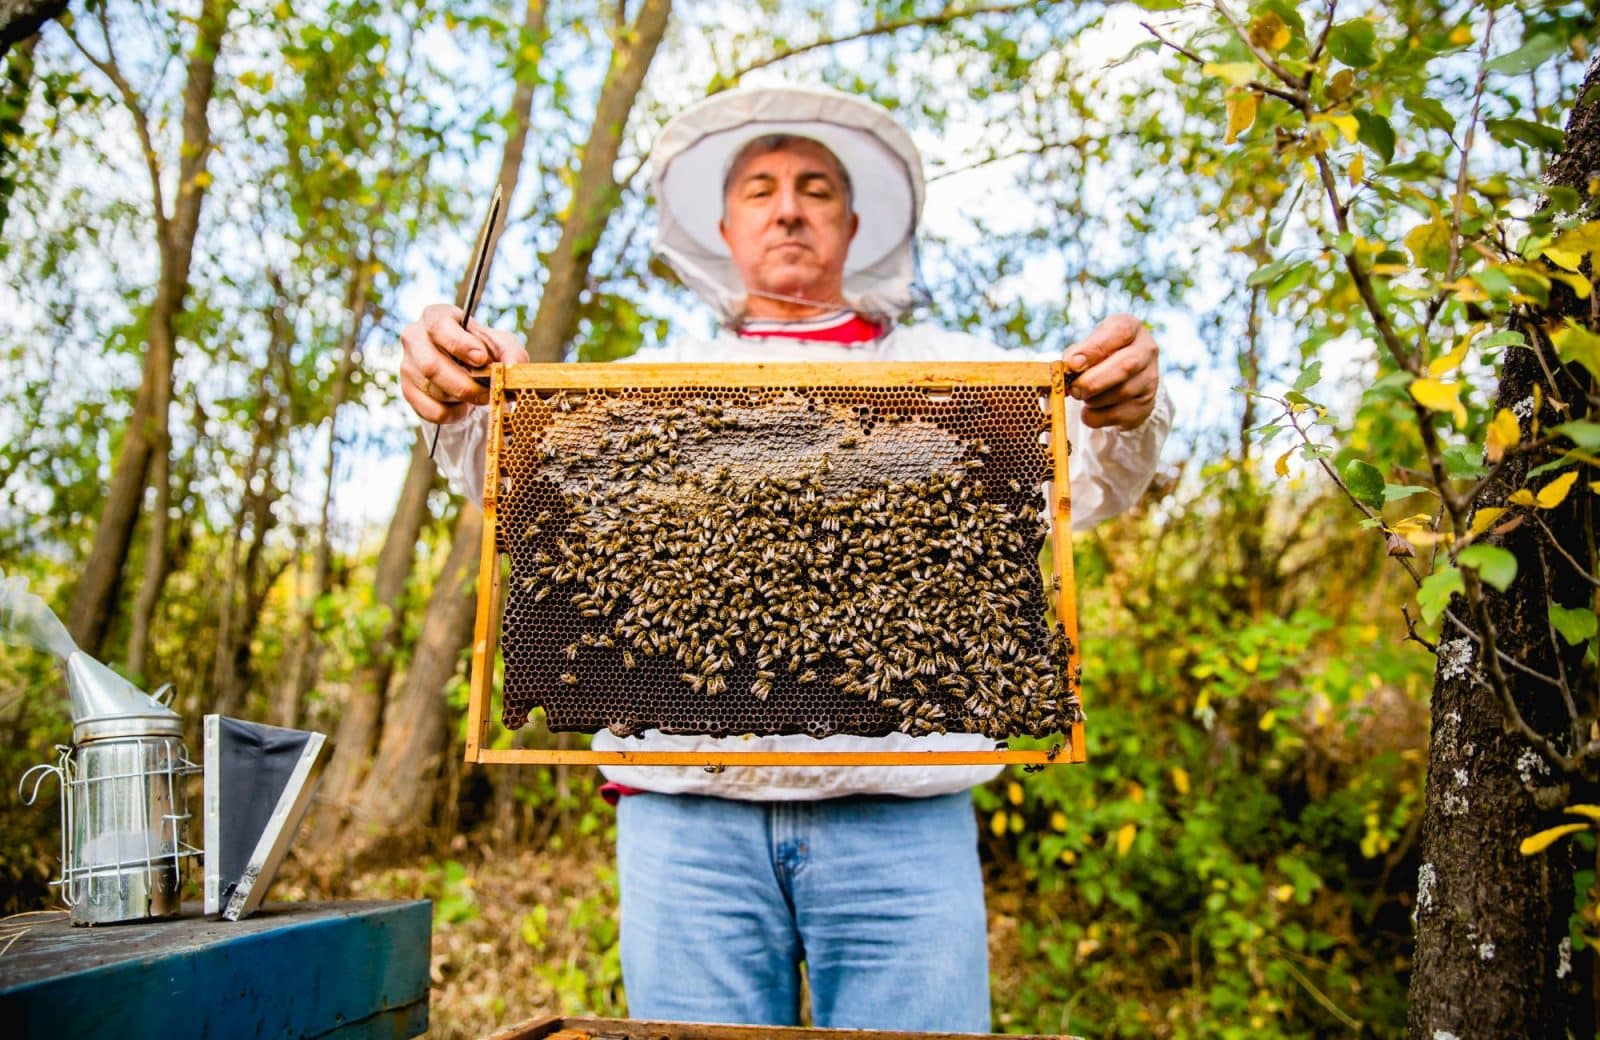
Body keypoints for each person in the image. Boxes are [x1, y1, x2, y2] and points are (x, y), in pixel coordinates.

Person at [399, 85, 1170, 1031]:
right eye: (761, 190)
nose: (790, 209)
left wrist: (1125, 403)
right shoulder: (642, 384)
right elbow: (513, 472)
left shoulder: (968, 376)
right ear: (726, 227)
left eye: (815, 188)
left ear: (853, 224)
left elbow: (1094, 473)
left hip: (901, 826)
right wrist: (468, 387)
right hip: (686, 827)